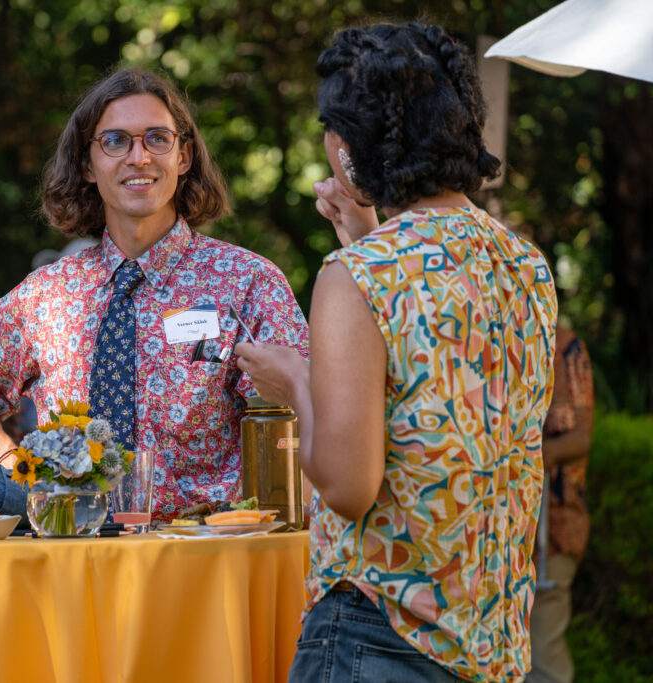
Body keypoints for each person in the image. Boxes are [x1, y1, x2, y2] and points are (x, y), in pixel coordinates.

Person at [235, 22, 557, 682]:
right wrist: (363, 230)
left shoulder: (355, 277)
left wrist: (296, 380)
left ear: (349, 148)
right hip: (488, 639)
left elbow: (350, 487)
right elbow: (437, 388)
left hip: (376, 635)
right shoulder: (525, 264)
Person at [0, 68, 308, 519]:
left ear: (184, 157)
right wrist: (19, 474)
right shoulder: (49, 294)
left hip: (202, 555)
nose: (139, 157)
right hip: (71, 551)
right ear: (88, 165)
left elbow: (302, 409)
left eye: (157, 139)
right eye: (115, 141)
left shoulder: (247, 282)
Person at [528, 324, 594, 683]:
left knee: (544, 662)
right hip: (498, 536)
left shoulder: (563, 344)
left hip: (551, 531)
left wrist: (518, 459)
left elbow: (580, 437)